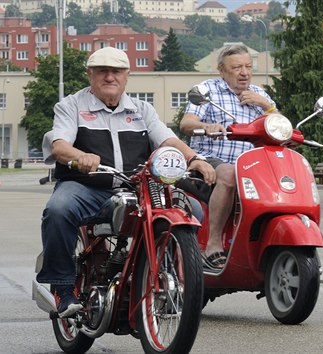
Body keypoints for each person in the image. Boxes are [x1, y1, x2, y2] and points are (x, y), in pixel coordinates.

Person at [36, 46, 215, 318]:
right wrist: (80, 156)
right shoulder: (71, 105)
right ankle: (62, 287)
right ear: (90, 74)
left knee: (193, 209)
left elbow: (167, 140)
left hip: (136, 187)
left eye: (116, 71)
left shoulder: (142, 109)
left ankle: (167, 278)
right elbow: (59, 145)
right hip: (87, 187)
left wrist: (193, 159)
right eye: (102, 71)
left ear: (126, 76)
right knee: (58, 210)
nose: (110, 77)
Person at [180, 44, 277, 270]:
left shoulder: (260, 95)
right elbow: (186, 123)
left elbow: (281, 126)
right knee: (229, 173)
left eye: (248, 67)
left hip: (254, 164)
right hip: (210, 159)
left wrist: (266, 106)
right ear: (222, 70)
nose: (244, 72)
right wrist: (206, 126)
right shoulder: (207, 91)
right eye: (237, 67)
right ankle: (213, 245)